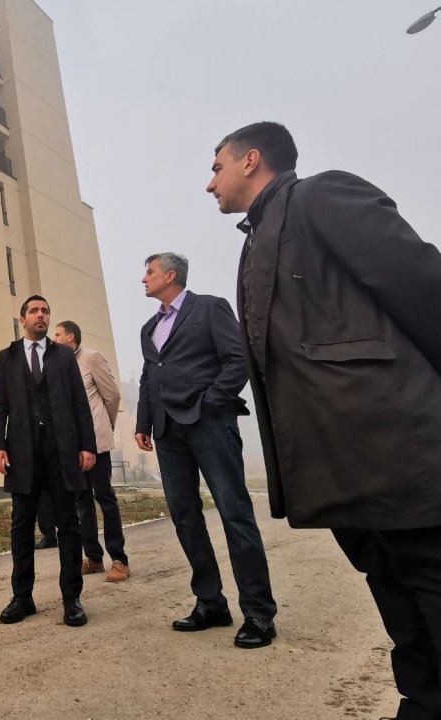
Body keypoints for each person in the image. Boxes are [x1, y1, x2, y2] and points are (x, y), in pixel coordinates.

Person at [208, 121, 441, 717]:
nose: (210, 184)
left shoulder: (321, 195)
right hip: (339, 463)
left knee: (428, 580)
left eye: (216, 167)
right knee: (393, 591)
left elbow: (422, 284)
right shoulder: (257, 237)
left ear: (251, 160)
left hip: (394, 445)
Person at [136, 252, 277, 648]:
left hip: (209, 424)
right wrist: (144, 422)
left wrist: (210, 403)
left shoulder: (210, 308)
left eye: (149, 272)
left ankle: (259, 613)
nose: (143, 279)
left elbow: (238, 359)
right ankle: (210, 602)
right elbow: (149, 376)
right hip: (167, 433)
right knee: (185, 518)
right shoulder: (149, 327)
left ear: (170, 275)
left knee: (234, 513)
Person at [0, 295, 97, 626]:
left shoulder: (63, 356)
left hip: (61, 452)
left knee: (68, 524)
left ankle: (72, 598)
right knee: (21, 525)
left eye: (46, 311)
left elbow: (80, 403)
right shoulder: (7, 358)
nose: (41, 315)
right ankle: (22, 598)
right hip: (22, 453)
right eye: (34, 311)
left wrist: (87, 445)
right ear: (23, 320)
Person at [53, 320, 130, 582]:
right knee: (82, 503)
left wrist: (106, 425)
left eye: (57, 334)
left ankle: (119, 559)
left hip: (96, 444)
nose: (54, 338)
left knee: (105, 498)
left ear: (70, 336)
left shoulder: (91, 358)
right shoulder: (60, 365)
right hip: (73, 447)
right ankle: (94, 558)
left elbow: (112, 396)